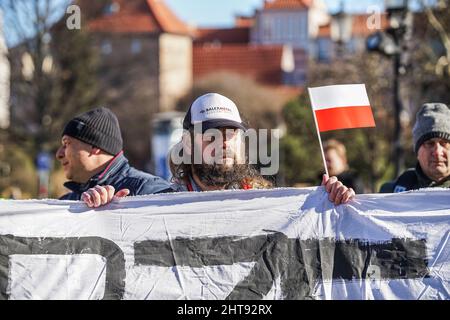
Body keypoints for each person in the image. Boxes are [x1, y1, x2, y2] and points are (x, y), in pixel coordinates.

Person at [82, 93, 355, 207]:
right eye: (210, 135)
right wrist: (105, 209)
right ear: (188, 145)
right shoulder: (155, 202)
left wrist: (334, 203)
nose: (223, 142)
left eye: (231, 134)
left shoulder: (269, 203)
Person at [56, 107, 173, 202]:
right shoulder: (68, 202)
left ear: (94, 147)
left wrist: (120, 212)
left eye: (66, 143)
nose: (59, 154)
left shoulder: (150, 190)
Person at [380, 103, 450, 193]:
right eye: (429, 143)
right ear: (417, 152)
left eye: (444, 143)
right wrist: (355, 200)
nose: (437, 152)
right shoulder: (393, 191)